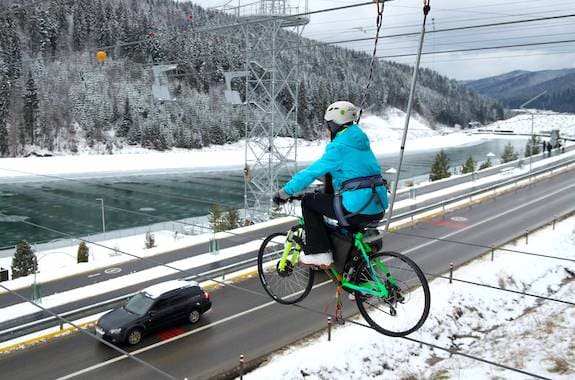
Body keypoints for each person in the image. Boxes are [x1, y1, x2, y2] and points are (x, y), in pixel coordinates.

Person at [273, 101, 389, 267]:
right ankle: (355, 277)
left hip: (357, 207)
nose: (327, 130)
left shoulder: (339, 147)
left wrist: (285, 192)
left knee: (309, 203)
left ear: (334, 125)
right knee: (339, 221)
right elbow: (352, 176)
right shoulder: (361, 145)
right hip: (378, 206)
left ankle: (319, 253)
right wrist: (325, 189)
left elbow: (311, 172)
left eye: (328, 125)